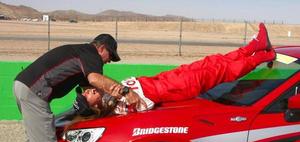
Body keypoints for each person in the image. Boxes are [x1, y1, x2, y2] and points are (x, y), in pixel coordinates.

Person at [13, 33, 145, 142]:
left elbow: (94, 88)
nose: (109, 60)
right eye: (110, 55)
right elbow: (96, 79)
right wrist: (126, 92)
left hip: (22, 85)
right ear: (101, 48)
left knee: (34, 137)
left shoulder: (80, 54)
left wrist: (109, 100)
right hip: (34, 91)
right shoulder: (90, 53)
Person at [73, 23, 276, 117]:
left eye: (84, 92)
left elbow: (96, 82)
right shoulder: (113, 108)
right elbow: (138, 108)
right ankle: (263, 55)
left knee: (211, 61)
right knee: (219, 71)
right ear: (94, 107)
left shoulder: (105, 92)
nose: (87, 91)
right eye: (87, 97)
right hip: (172, 89)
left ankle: (254, 46)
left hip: (163, 80)